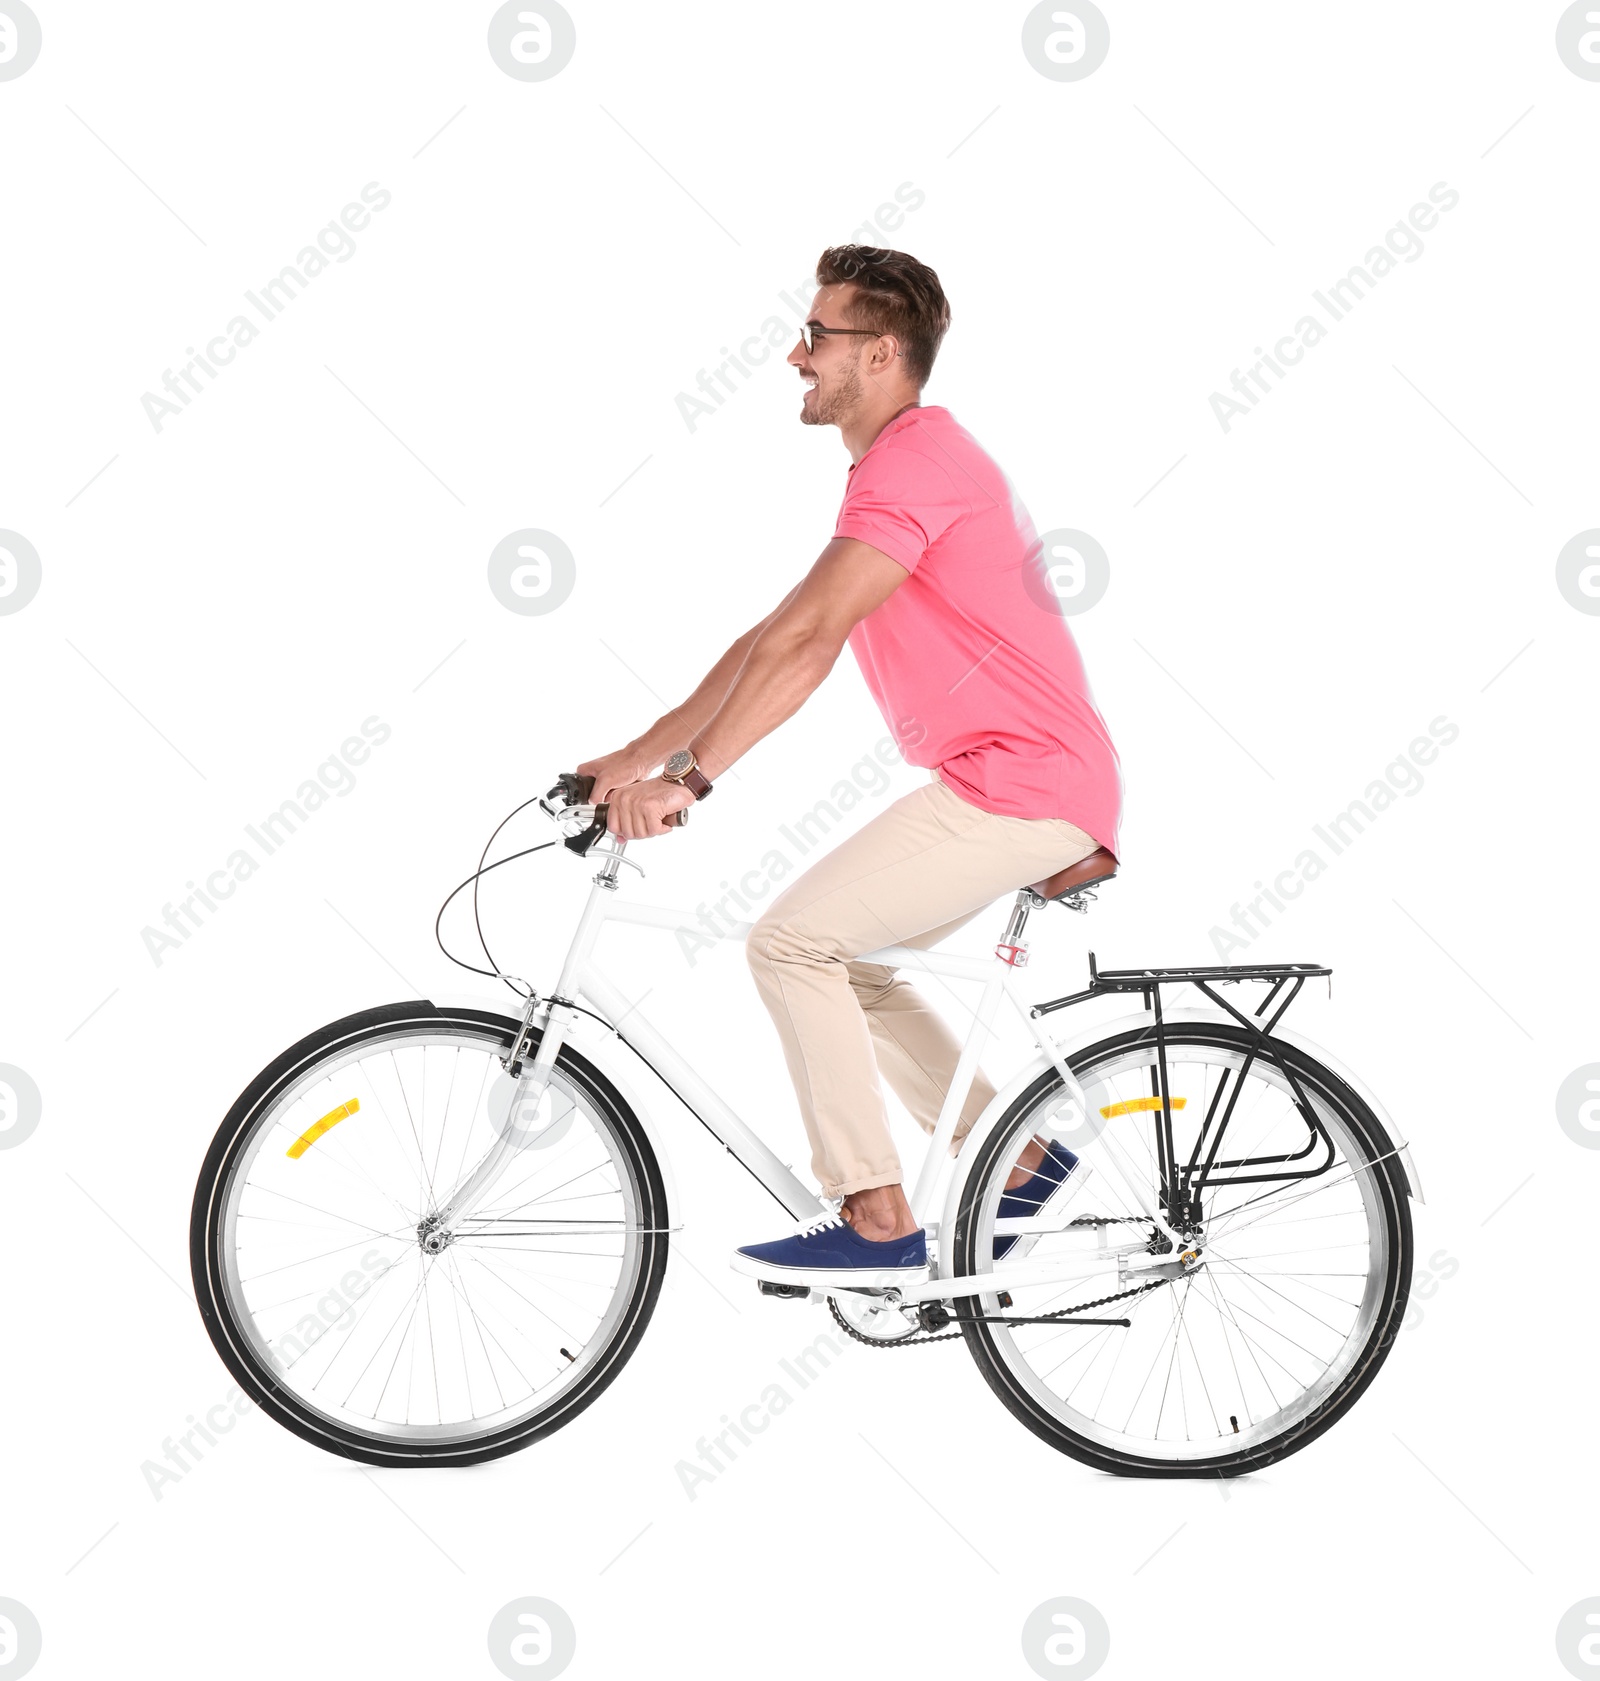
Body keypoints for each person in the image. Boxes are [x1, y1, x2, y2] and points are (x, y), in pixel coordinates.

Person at [577, 245, 1121, 1286]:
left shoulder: (917, 465)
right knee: (848, 960)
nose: (794, 353)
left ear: (877, 355)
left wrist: (687, 785)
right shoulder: (898, 466)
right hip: (1015, 779)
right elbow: (771, 638)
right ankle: (1021, 1164)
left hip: (1025, 783)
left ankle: (875, 1218)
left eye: (816, 336)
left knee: (790, 942)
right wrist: (635, 754)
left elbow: (809, 644)